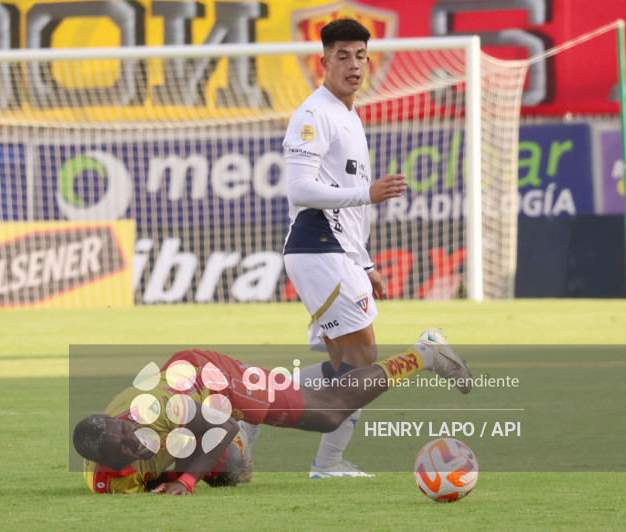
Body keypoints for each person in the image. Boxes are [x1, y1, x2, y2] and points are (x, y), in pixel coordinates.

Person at [73, 328, 471, 496]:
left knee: (330, 413)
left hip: (212, 380)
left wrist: (188, 482)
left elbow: (222, 425)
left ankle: (426, 352)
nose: (135, 443)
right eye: (124, 450)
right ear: (102, 463)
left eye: (128, 433)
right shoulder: (107, 483)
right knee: (234, 475)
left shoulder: (156, 410)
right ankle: (300, 393)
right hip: (195, 410)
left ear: (122, 420)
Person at [281, 18, 408, 477]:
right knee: (362, 363)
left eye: (360, 55)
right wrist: (367, 193)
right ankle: (327, 464)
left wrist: (366, 262)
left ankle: (248, 403)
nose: (354, 65)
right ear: (324, 62)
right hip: (317, 248)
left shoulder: (349, 113)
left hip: (337, 251)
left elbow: (346, 202)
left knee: (344, 367)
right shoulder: (314, 114)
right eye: (342, 56)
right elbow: (301, 191)